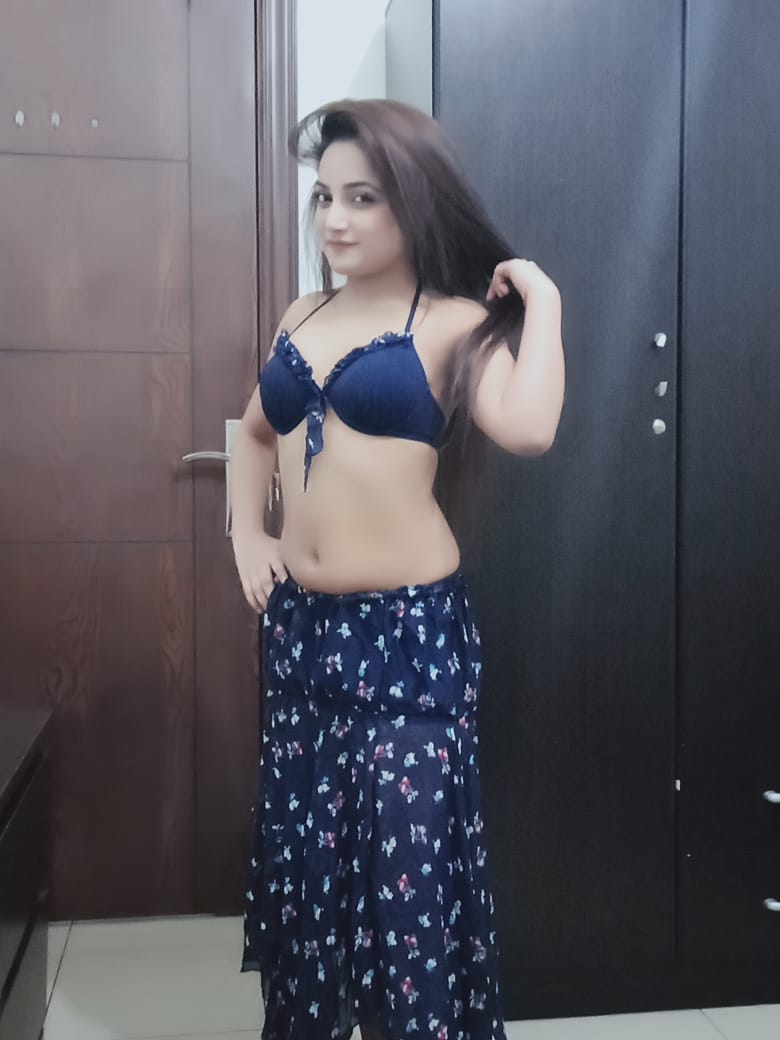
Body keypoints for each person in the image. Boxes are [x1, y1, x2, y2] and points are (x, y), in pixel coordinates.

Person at [232, 99, 565, 1040]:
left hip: (407, 642)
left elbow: (530, 428)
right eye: (324, 196)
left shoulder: (452, 324)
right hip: (303, 640)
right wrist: (248, 536)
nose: (334, 219)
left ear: (413, 204)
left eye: (363, 198)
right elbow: (252, 433)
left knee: (403, 887)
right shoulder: (302, 314)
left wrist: (543, 300)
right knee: (310, 871)